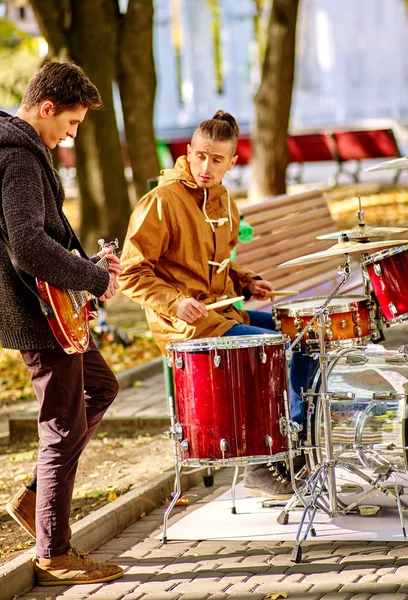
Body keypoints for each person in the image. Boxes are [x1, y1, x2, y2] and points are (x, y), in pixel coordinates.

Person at [119, 110, 315, 499]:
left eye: (217, 159)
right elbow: (130, 273)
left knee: (307, 334)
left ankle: (295, 445)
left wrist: (247, 281)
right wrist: (176, 303)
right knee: (271, 346)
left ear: (232, 162)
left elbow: (220, 260)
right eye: (200, 156)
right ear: (188, 152)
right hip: (186, 325)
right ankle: (262, 463)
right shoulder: (160, 201)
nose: (206, 167)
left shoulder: (224, 199)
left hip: (223, 313)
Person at [1, 62, 124, 586]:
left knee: (101, 386)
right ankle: (54, 551)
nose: (70, 135)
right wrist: (93, 279)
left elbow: (35, 236)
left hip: (48, 307)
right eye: (70, 124)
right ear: (46, 108)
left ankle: (35, 499)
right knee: (62, 424)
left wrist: (86, 263)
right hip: (38, 313)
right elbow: (27, 245)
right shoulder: (20, 158)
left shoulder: (20, 150)